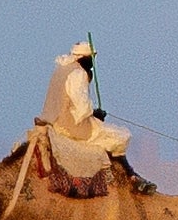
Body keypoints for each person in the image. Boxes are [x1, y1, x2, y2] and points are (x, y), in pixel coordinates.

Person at [34, 37, 130, 188]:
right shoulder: (78, 73)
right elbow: (82, 107)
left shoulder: (61, 69)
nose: (92, 62)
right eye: (91, 58)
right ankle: (128, 177)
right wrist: (96, 115)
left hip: (52, 121)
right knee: (120, 137)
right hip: (68, 126)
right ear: (84, 58)